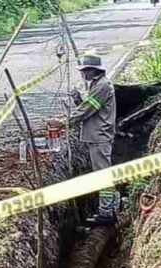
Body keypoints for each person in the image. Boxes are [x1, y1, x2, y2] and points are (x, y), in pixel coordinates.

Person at [69, 52, 119, 225]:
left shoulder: (102, 86)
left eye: (85, 70)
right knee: (102, 172)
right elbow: (90, 106)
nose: (83, 73)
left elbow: (89, 108)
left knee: (103, 175)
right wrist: (78, 101)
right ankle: (111, 208)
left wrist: (66, 121)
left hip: (99, 135)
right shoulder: (98, 85)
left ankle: (107, 213)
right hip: (97, 135)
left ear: (92, 70)